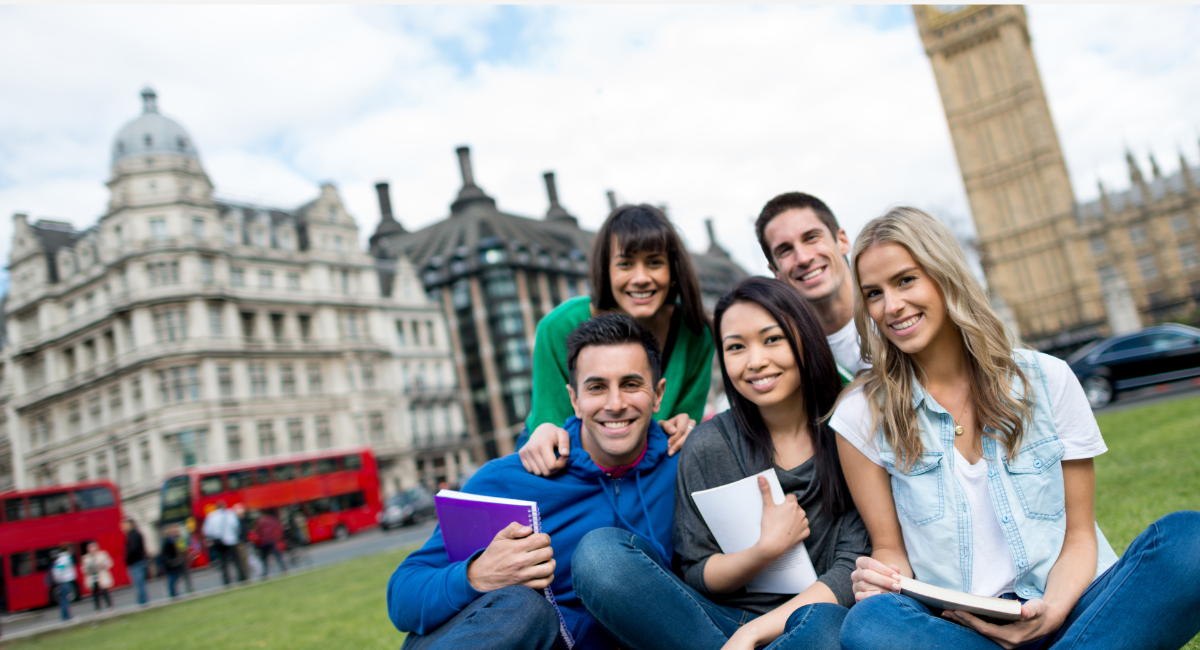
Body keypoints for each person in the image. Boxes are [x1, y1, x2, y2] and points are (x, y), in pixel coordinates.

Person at [831, 207, 1200, 650]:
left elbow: (1080, 534)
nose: (890, 306)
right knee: (869, 623)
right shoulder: (861, 415)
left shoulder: (1048, 379)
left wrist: (1053, 612)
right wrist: (880, 576)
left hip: (1074, 608)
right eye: (873, 293)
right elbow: (891, 549)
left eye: (905, 280)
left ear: (945, 275)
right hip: (962, 635)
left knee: (1188, 542)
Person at [573, 277, 869, 650]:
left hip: (812, 621)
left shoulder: (851, 428)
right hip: (717, 624)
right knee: (599, 557)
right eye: (736, 347)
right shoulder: (709, 445)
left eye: (772, 339)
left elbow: (851, 570)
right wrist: (764, 550)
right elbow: (696, 572)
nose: (756, 361)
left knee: (827, 628)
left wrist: (753, 635)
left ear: (804, 337)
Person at [388, 314, 679, 650]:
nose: (615, 404)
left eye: (630, 384)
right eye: (597, 387)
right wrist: (474, 576)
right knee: (525, 609)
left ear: (658, 394)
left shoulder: (683, 465)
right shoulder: (509, 480)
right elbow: (402, 595)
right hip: (506, 637)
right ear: (574, 399)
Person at [520, 204, 714, 476]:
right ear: (606, 271)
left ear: (673, 271)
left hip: (649, 456)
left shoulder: (696, 331)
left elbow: (682, 424)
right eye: (625, 264)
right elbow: (551, 427)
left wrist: (685, 427)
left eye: (654, 263)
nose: (641, 278)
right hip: (566, 455)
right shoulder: (558, 326)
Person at [755, 192, 862, 380]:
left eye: (811, 237)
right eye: (785, 250)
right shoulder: (788, 362)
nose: (803, 258)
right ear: (775, 272)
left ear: (842, 241)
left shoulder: (901, 310)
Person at [203, 501, 246, 585]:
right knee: (236, 560)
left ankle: (226, 580)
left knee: (223, 562)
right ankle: (241, 577)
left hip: (219, 542)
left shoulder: (211, 516)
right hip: (231, 540)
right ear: (225, 506)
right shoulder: (230, 514)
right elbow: (236, 526)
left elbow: (207, 531)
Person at [120, 518, 149, 606]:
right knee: (141, 584)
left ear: (129, 525)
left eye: (124, 525)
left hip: (136, 563)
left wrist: (127, 560)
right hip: (140, 561)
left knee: (139, 585)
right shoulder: (137, 534)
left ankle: (142, 603)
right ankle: (143, 602)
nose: (122, 527)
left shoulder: (133, 536)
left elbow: (132, 550)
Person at [81, 541, 114, 612]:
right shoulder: (86, 558)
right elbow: (83, 569)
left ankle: (110, 606)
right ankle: (98, 609)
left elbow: (109, 563)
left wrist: (102, 564)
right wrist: (88, 568)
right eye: (90, 547)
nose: (92, 549)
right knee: (95, 593)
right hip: (93, 576)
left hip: (101, 574)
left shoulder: (102, 554)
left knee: (104, 591)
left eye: (93, 547)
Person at [254, 510, 288, 577]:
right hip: (272, 539)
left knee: (264, 558)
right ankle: (283, 567)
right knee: (277, 555)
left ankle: (264, 572)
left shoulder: (259, 521)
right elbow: (278, 528)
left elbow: (258, 532)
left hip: (264, 541)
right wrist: (280, 538)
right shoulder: (272, 519)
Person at [161, 524, 190, 598]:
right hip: (173, 563)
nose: (176, 532)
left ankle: (188, 589)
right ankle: (173, 594)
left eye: (176, 531)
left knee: (183, 576)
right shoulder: (168, 542)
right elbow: (167, 554)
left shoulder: (178, 539)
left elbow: (183, 549)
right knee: (173, 579)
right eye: (174, 531)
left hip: (179, 561)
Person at [50, 545, 76, 621]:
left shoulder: (60, 558)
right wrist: (61, 578)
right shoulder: (65, 558)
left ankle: (66, 616)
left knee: (64, 599)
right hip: (65, 581)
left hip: (62, 581)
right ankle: (67, 616)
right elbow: (59, 570)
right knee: (65, 599)